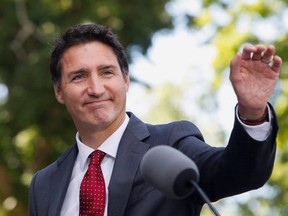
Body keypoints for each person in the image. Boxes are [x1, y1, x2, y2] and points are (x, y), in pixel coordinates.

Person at [28, 23, 282, 216]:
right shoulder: (44, 184)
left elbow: (239, 172)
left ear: (125, 80)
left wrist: (252, 112)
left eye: (107, 72)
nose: (96, 88)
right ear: (59, 91)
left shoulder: (170, 146)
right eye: (79, 77)